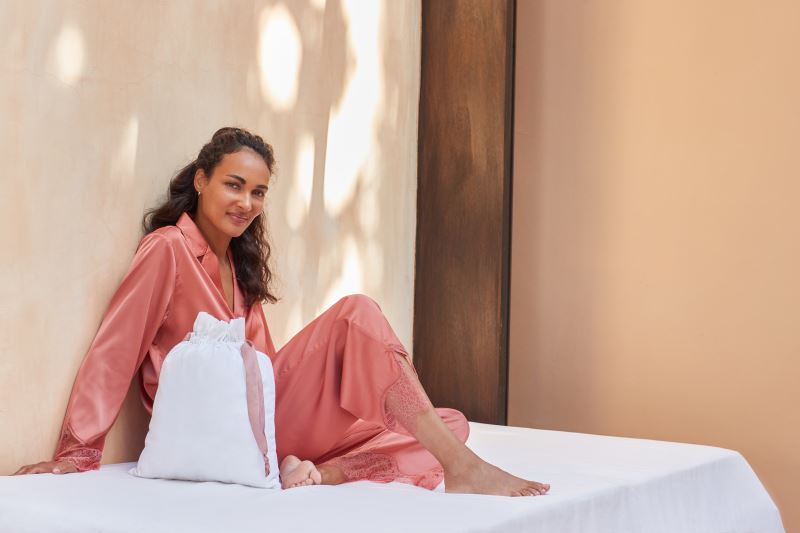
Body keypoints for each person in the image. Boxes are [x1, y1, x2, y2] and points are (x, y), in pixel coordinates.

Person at [13, 127, 549, 497]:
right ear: (200, 181)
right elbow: (115, 349)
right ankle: (463, 470)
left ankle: (319, 473)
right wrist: (77, 452)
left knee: (448, 422)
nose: (246, 202)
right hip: (211, 424)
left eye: (259, 192)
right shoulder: (168, 250)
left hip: (263, 427)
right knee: (356, 314)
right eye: (233, 185)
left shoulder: (239, 269)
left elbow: (265, 369)